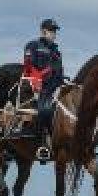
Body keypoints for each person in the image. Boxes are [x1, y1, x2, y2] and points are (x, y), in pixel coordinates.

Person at [23, 19, 65, 162]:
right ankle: (41, 145)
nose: (54, 34)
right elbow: (28, 67)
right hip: (38, 86)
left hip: (55, 87)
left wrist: (63, 82)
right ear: (43, 31)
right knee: (45, 109)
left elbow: (59, 71)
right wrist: (38, 79)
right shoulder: (33, 46)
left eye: (55, 31)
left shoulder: (57, 51)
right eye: (51, 31)